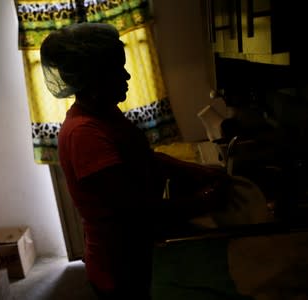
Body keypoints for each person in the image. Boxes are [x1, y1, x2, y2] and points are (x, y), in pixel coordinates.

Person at [40, 23, 231, 300]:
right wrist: (204, 201)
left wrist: (201, 173)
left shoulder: (104, 114)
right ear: (95, 81)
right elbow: (135, 211)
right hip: (119, 266)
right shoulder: (85, 134)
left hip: (134, 251)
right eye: (118, 70)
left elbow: (145, 159)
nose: (127, 75)